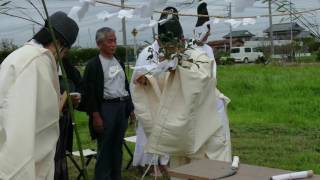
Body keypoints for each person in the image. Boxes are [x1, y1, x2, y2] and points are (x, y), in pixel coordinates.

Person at [0, 11, 79, 180]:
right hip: (24, 167)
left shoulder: (20, 56)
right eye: (64, 53)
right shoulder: (35, 63)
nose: (62, 58)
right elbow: (21, 131)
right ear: (59, 44)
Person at [131, 6, 181, 176]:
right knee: (150, 132)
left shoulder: (172, 52)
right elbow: (139, 77)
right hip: (149, 98)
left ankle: (164, 162)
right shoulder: (148, 52)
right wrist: (149, 78)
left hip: (165, 97)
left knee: (165, 132)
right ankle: (151, 164)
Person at [82, 27, 135, 180]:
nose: (113, 44)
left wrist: (130, 109)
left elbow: (124, 85)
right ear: (99, 44)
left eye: (115, 40)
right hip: (106, 109)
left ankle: (116, 177)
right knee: (105, 149)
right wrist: (95, 115)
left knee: (117, 147)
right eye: (109, 41)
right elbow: (90, 94)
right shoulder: (94, 65)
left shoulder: (118, 60)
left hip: (121, 107)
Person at [192, 1, 232, 162]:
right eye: (205, 33)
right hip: (198, 98)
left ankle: (219, 161)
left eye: (209, 33)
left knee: (220, 131)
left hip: (212, 95)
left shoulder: (208, 49)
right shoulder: (190, 50)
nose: (207, 36)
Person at [54, 56, 82, 180]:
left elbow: (79, 86)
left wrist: (76, 99)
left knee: (60, 154)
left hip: (64, 118)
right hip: (48, 121)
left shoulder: (67, 68)